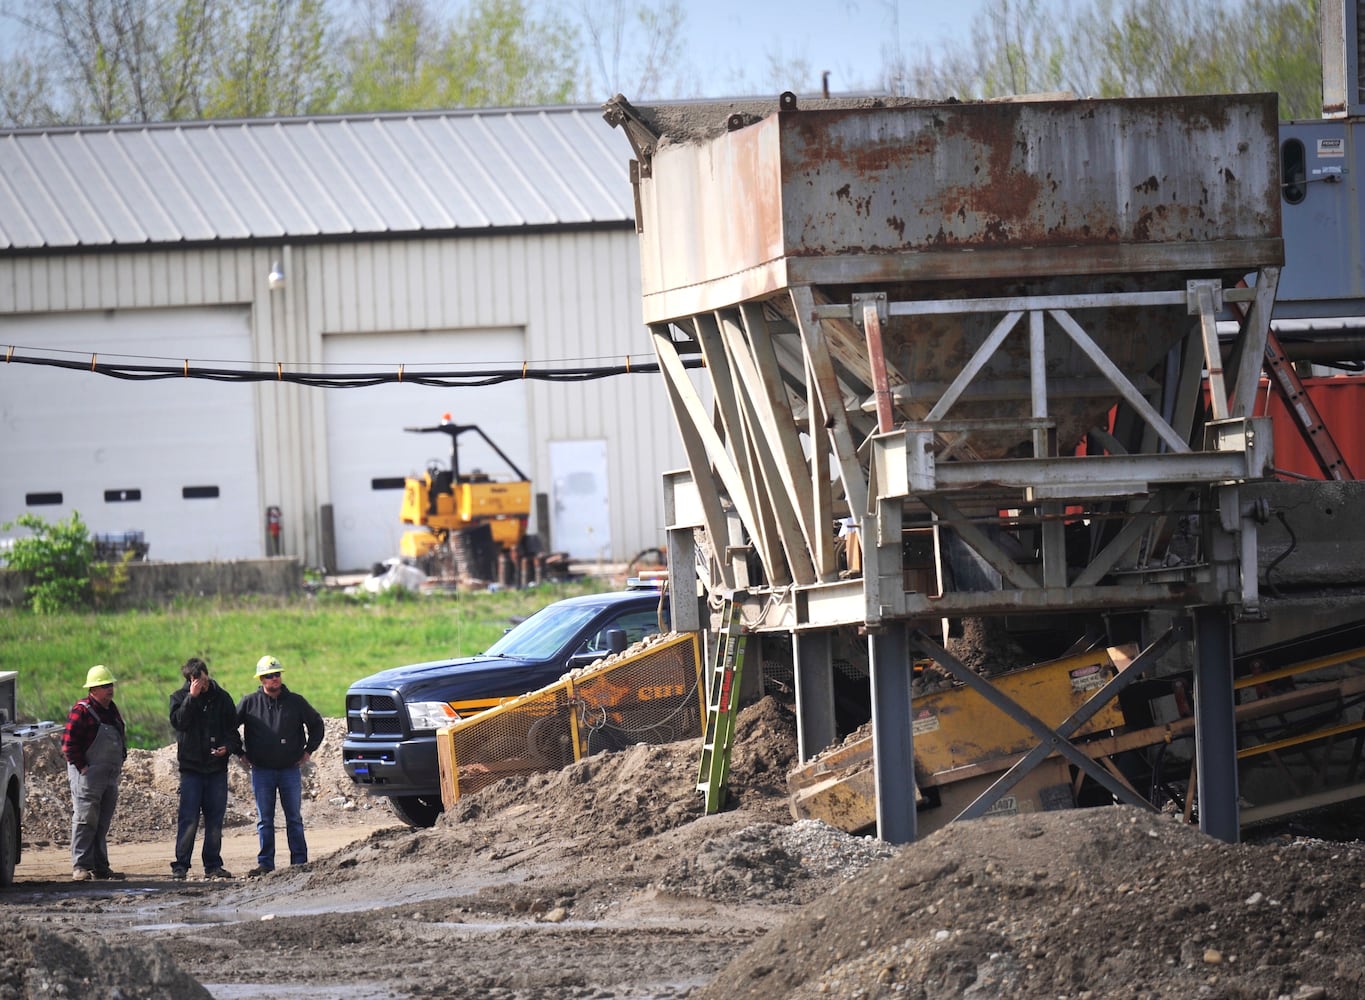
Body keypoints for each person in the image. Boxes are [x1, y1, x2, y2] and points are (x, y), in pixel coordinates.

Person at [237, 654, 324, 877]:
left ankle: (299, 862)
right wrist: (239, 752)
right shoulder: (249, 703)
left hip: (289, 770)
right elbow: (228, 728)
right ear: (261, 680)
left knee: (293, 818)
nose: (274, 679)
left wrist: (308, 750)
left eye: (276, 674)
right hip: (262, 771)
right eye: (268, 676)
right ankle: (266, 864)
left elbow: (316, 724)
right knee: (264, 819)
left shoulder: (296, 702)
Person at [168, 657, 243, 881]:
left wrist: (227, 749)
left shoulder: (222, 698)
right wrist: (192, 698)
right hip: (191, 770)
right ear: (190, 680)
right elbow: (179, 723)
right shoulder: (179, 698)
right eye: (197, 681)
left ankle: (213, 865)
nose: (202, 685)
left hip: (216, 770)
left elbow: (233, 733)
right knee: (188, 819)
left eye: (203, 680)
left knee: (215, 820)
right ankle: (180, 865)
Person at [61, 664, 128, 881]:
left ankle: (100, 867)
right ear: (93, 690)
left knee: (101, 823)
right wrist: (82, 767)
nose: (110, 689)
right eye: (104, 685)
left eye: (110, 684)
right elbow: (68, 745)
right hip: (87, 777)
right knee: (85, 820)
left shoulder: (112, 709)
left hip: (108, 776)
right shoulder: (81, 711)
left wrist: (121, 758)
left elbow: (120, 734)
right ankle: (80, 866)